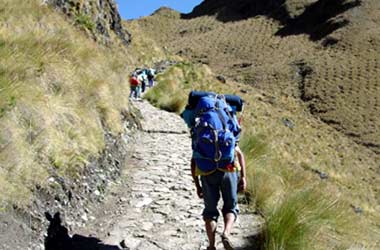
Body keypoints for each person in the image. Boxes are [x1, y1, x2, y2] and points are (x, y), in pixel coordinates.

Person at [191, 146, 247, 250]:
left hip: (207, 173)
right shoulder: (228, 129)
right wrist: (243, 177)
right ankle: (226, 233)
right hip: (229, 170)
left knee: (210, 212)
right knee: (231, 207)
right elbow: (239, 153)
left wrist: (197, 185)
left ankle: (212, 245)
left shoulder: (200, 130)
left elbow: (194, 160)